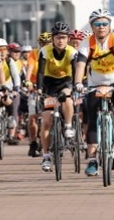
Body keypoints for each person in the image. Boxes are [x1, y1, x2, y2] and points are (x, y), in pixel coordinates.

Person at [75, 9, 114, 176]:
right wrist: (78, 83)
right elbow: (80, 65)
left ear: (109, 25)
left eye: (104, 24)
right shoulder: (87, 43)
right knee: (92, 118)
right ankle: (93, 159)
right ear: (92, 27)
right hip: (95, 84)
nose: (101, 27)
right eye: (97, 24)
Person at [37, 22, 77, 173]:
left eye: (64, 38)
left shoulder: (72, 52)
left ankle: (67, 125)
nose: (61, 40)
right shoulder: (44, 51)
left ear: (68, 39)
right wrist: (40, 89)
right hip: (49, 84)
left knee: (67, 96)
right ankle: (46, 155)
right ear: (53, 39)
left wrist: (76, 88)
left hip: (66, 81)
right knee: (46, 121)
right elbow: (40, 73)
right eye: (58, 38)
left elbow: (74, 73)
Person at [26, 32, 52, 157]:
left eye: (47, 43)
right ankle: (33, 143)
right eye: (42, 43)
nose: (44, 46)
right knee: (33, 117)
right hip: (35, 86)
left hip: (50, 86)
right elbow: (30, 68)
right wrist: (28, 82)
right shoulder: (34, 54)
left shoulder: (53, 52)